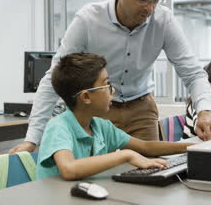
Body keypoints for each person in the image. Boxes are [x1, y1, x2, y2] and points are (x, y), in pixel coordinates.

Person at [9, 0, 211, 154]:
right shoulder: (88, 20)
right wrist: (32, 139)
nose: (150, 8)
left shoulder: (163, 20)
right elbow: (53, 78)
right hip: (97, 111)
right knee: (97, 178)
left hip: (142, 108)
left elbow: (193, 74)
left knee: (151, 175)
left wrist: (205, 110)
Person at [36, 53, 195, 180]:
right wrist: (125, 155)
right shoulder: (59, 126)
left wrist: (193, 148)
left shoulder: (100, 126)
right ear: (86, 97)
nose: (112, 91)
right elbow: (69, 169)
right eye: (107, 85)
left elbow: (145, 147)